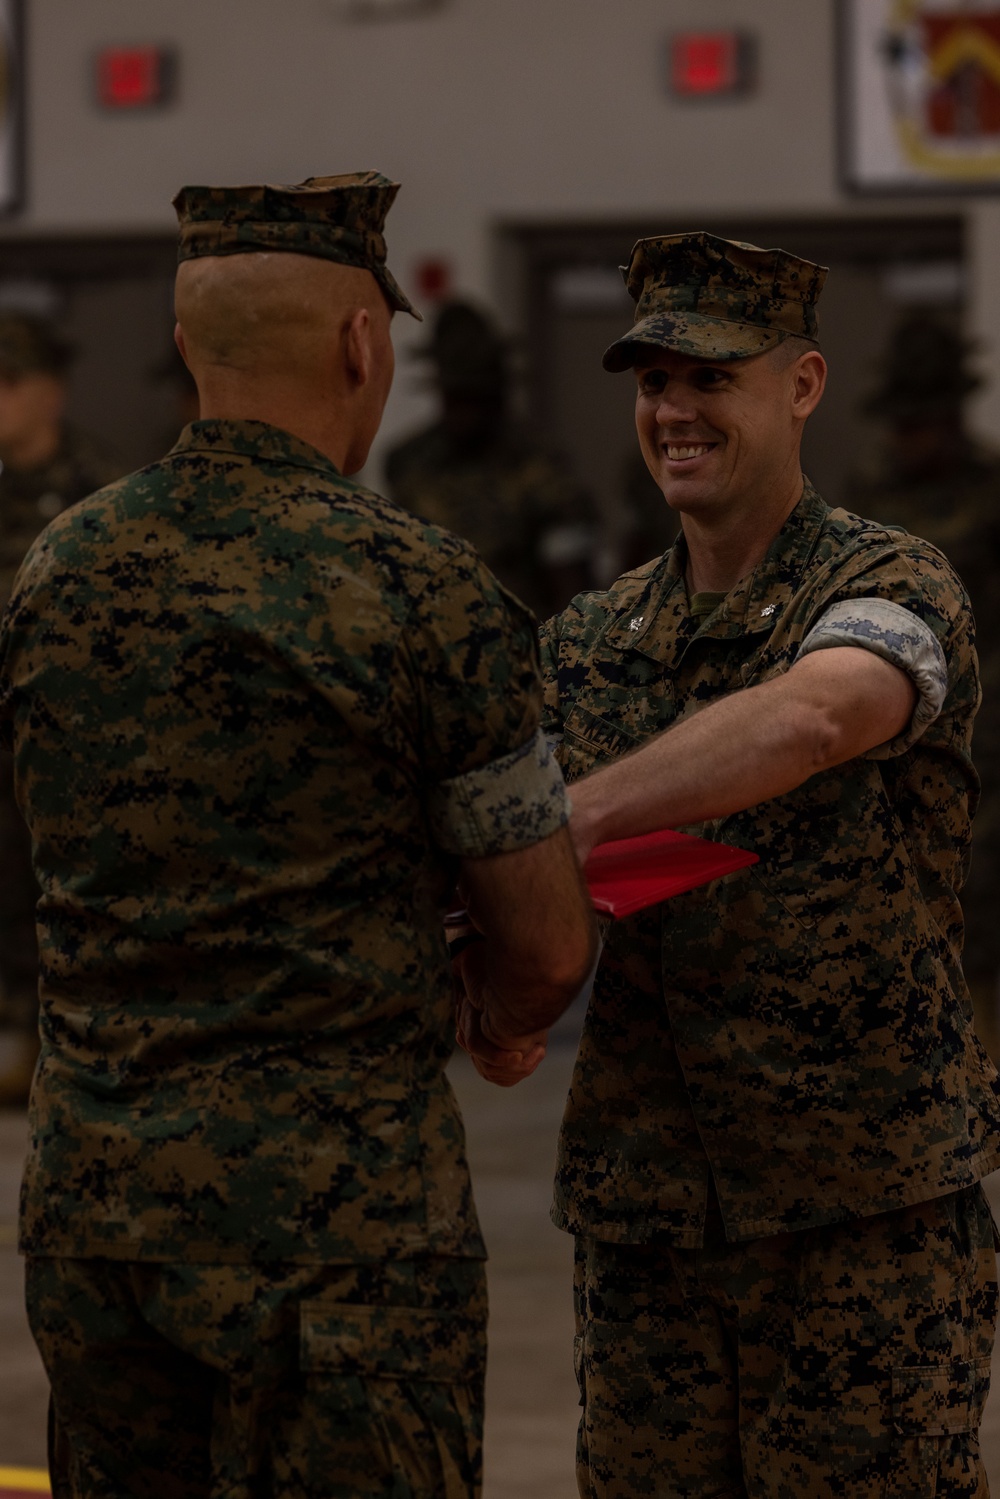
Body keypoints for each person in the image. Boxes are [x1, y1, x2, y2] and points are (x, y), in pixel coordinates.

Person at [0, 173, 597, 1499]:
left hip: (100, 1213)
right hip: (339, 1237)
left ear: (185, 343)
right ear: (360, 343)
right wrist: (498, 1011)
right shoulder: (421, 588)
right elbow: (549, 945)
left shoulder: (57, 569)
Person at [462, 233, 1000, 1497]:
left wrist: (560, 818)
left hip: (858, 1211)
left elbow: (818, 716)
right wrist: (503, 992)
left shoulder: (888, 579)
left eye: (710, 377)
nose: (674, 411)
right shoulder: (591, 641)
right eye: (653, 382)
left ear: (802, 385)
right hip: (648, 1216)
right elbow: (581, 894)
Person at [848, 313, 1000, 1045]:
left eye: (928, 422)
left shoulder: (992, 491)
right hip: (889, 741)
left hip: (987, 737)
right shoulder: (863, 500)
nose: (914, 438)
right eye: (903, 423)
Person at [0, 313, 123, 1107]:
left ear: (48, 393)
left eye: (6, 385)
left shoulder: (99, 489)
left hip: (76, 736)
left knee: (67, 888)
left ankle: (67, 1039)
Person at [385, 298, 596, 616]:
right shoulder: (408, 462)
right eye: (454, 398)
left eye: (473, 398)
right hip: (429, 641)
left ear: (496, 395)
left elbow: (571, 583)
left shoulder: (538, 464)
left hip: (523, 641)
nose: (463, 414)